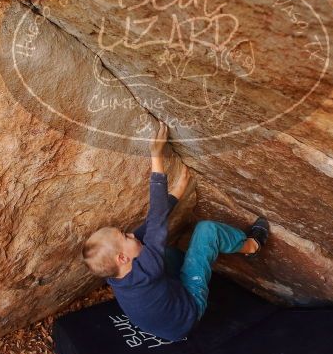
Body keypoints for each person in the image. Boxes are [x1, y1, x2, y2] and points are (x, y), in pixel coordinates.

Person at [81, 121, 269, 341]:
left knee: (160, 250)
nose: (131, 234)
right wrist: (156, 157)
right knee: (206, 231)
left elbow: (152, 224)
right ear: (122, 257)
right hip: (188, 312)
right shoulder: (146, 270)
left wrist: (177, 194)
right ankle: (252, 246)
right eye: (125, 236)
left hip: (167, 320)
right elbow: (157, 219)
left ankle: (190, 264)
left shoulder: (118, 274)